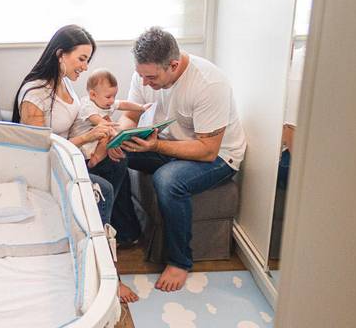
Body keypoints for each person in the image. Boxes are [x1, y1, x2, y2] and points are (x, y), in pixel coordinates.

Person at [109, 27, 246, 293]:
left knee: (168, 180)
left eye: (151, 77)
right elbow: (132, 115)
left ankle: (180, 261)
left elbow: (207, 150)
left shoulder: (208, 84)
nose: (145, 82)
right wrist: (121, 134)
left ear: (173, 65)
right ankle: (127, 231)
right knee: (113, 155)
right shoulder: (145, 73)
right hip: (168, 143)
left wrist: (157, 145)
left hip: (218, 156)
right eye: (141, 76)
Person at [12, 24, 139, 303]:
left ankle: (113, 236)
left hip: (73, 159)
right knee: (102, 190)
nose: (85, 66)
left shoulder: (65, 83)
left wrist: (104, 143)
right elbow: (36, 151)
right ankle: (107, 275)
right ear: (61, 54)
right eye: (81, 58)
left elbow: (74, 127)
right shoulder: (35, 94)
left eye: (87, 60)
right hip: (51, 170)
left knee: (119, 164)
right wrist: (88, 138)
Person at [69, 68, 146, 160]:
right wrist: (115, 133)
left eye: (114, 96)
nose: (112, 100)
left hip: (96, 134)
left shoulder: (107, 102)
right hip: (82, 139)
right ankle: (96, 158)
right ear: (93, 95)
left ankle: (98, 157)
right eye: (108, 97)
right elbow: (99, 121)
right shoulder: (87, 106)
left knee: (105, 138)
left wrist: (141, 107)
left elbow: (123, 104)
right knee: (106, 136)